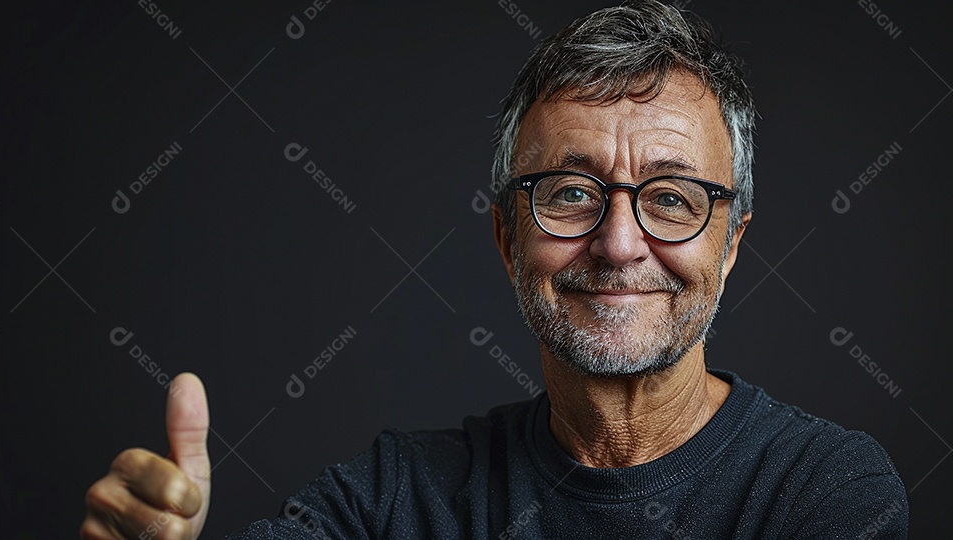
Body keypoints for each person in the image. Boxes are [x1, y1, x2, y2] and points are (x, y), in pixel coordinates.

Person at [81, 1, 909, 538]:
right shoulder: (394, 498)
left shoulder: (824, 492)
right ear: (509, 239)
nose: (619, 244)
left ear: (729, 243)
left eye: (672, 198)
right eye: (571, 193)